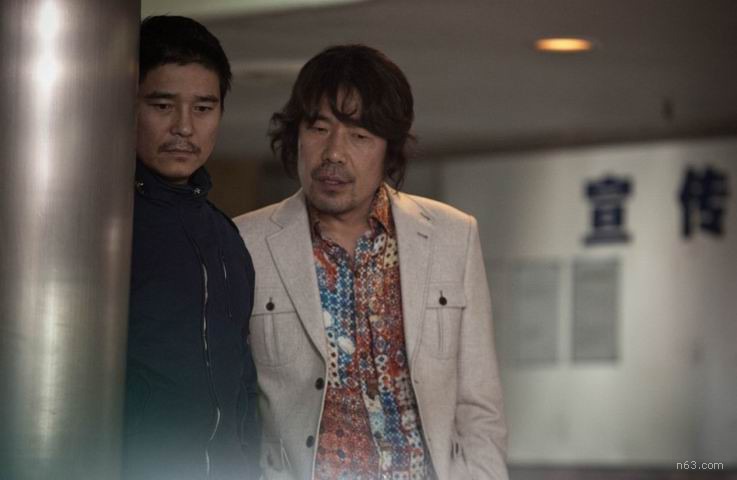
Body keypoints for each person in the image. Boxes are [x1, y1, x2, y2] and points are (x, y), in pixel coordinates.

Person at [235, 45, 508, 479]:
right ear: (296, 135)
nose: (333, 153)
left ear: (389, 149)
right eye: (318, 128)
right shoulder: (245, 243)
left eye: (359, 136)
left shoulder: (452, 236)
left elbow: (479, 406)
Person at [123, 16, 259, 480]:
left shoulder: (225, 237)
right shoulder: (104, 230)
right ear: (127, 105)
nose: (184, 127)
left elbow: (243, 384)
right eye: (162, 105)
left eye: (203, 108)